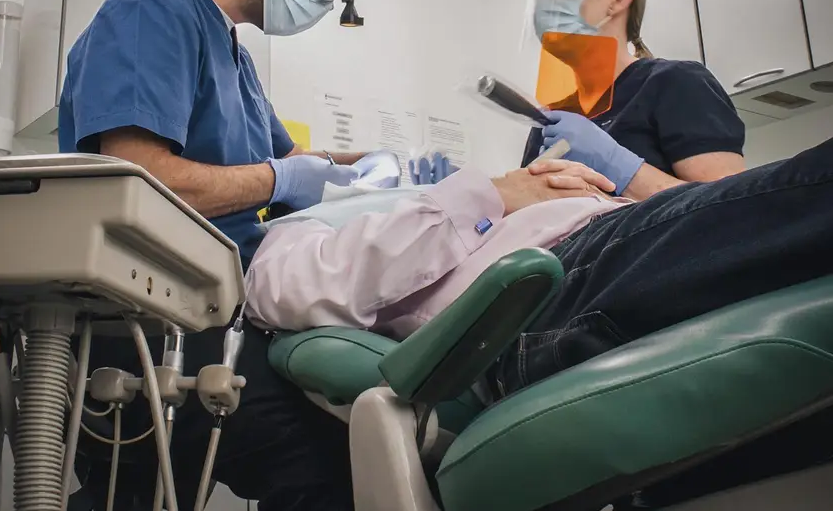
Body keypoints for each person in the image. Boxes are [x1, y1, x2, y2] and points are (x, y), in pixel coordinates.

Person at [59, 0, 371, 511]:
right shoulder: (152, 9)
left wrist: (384, 171)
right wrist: (282, 175)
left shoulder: (236, 55)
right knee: (317, 466)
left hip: (220, 316)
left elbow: (296, 167)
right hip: (148, 324)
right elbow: (140, 178)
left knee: (338, 461)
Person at [244, 139, 833, 399]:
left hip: (608, 239)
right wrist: (488, 195)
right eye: (330, 164)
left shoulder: (434, 204)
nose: (358, 172)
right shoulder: (294, 233)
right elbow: (287, 293)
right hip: (547, 290)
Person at [522, 0, 747, 200]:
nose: (549, 1)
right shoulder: (550, 119)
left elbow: (728, 207)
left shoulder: (676, 84)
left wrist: (617, 165)